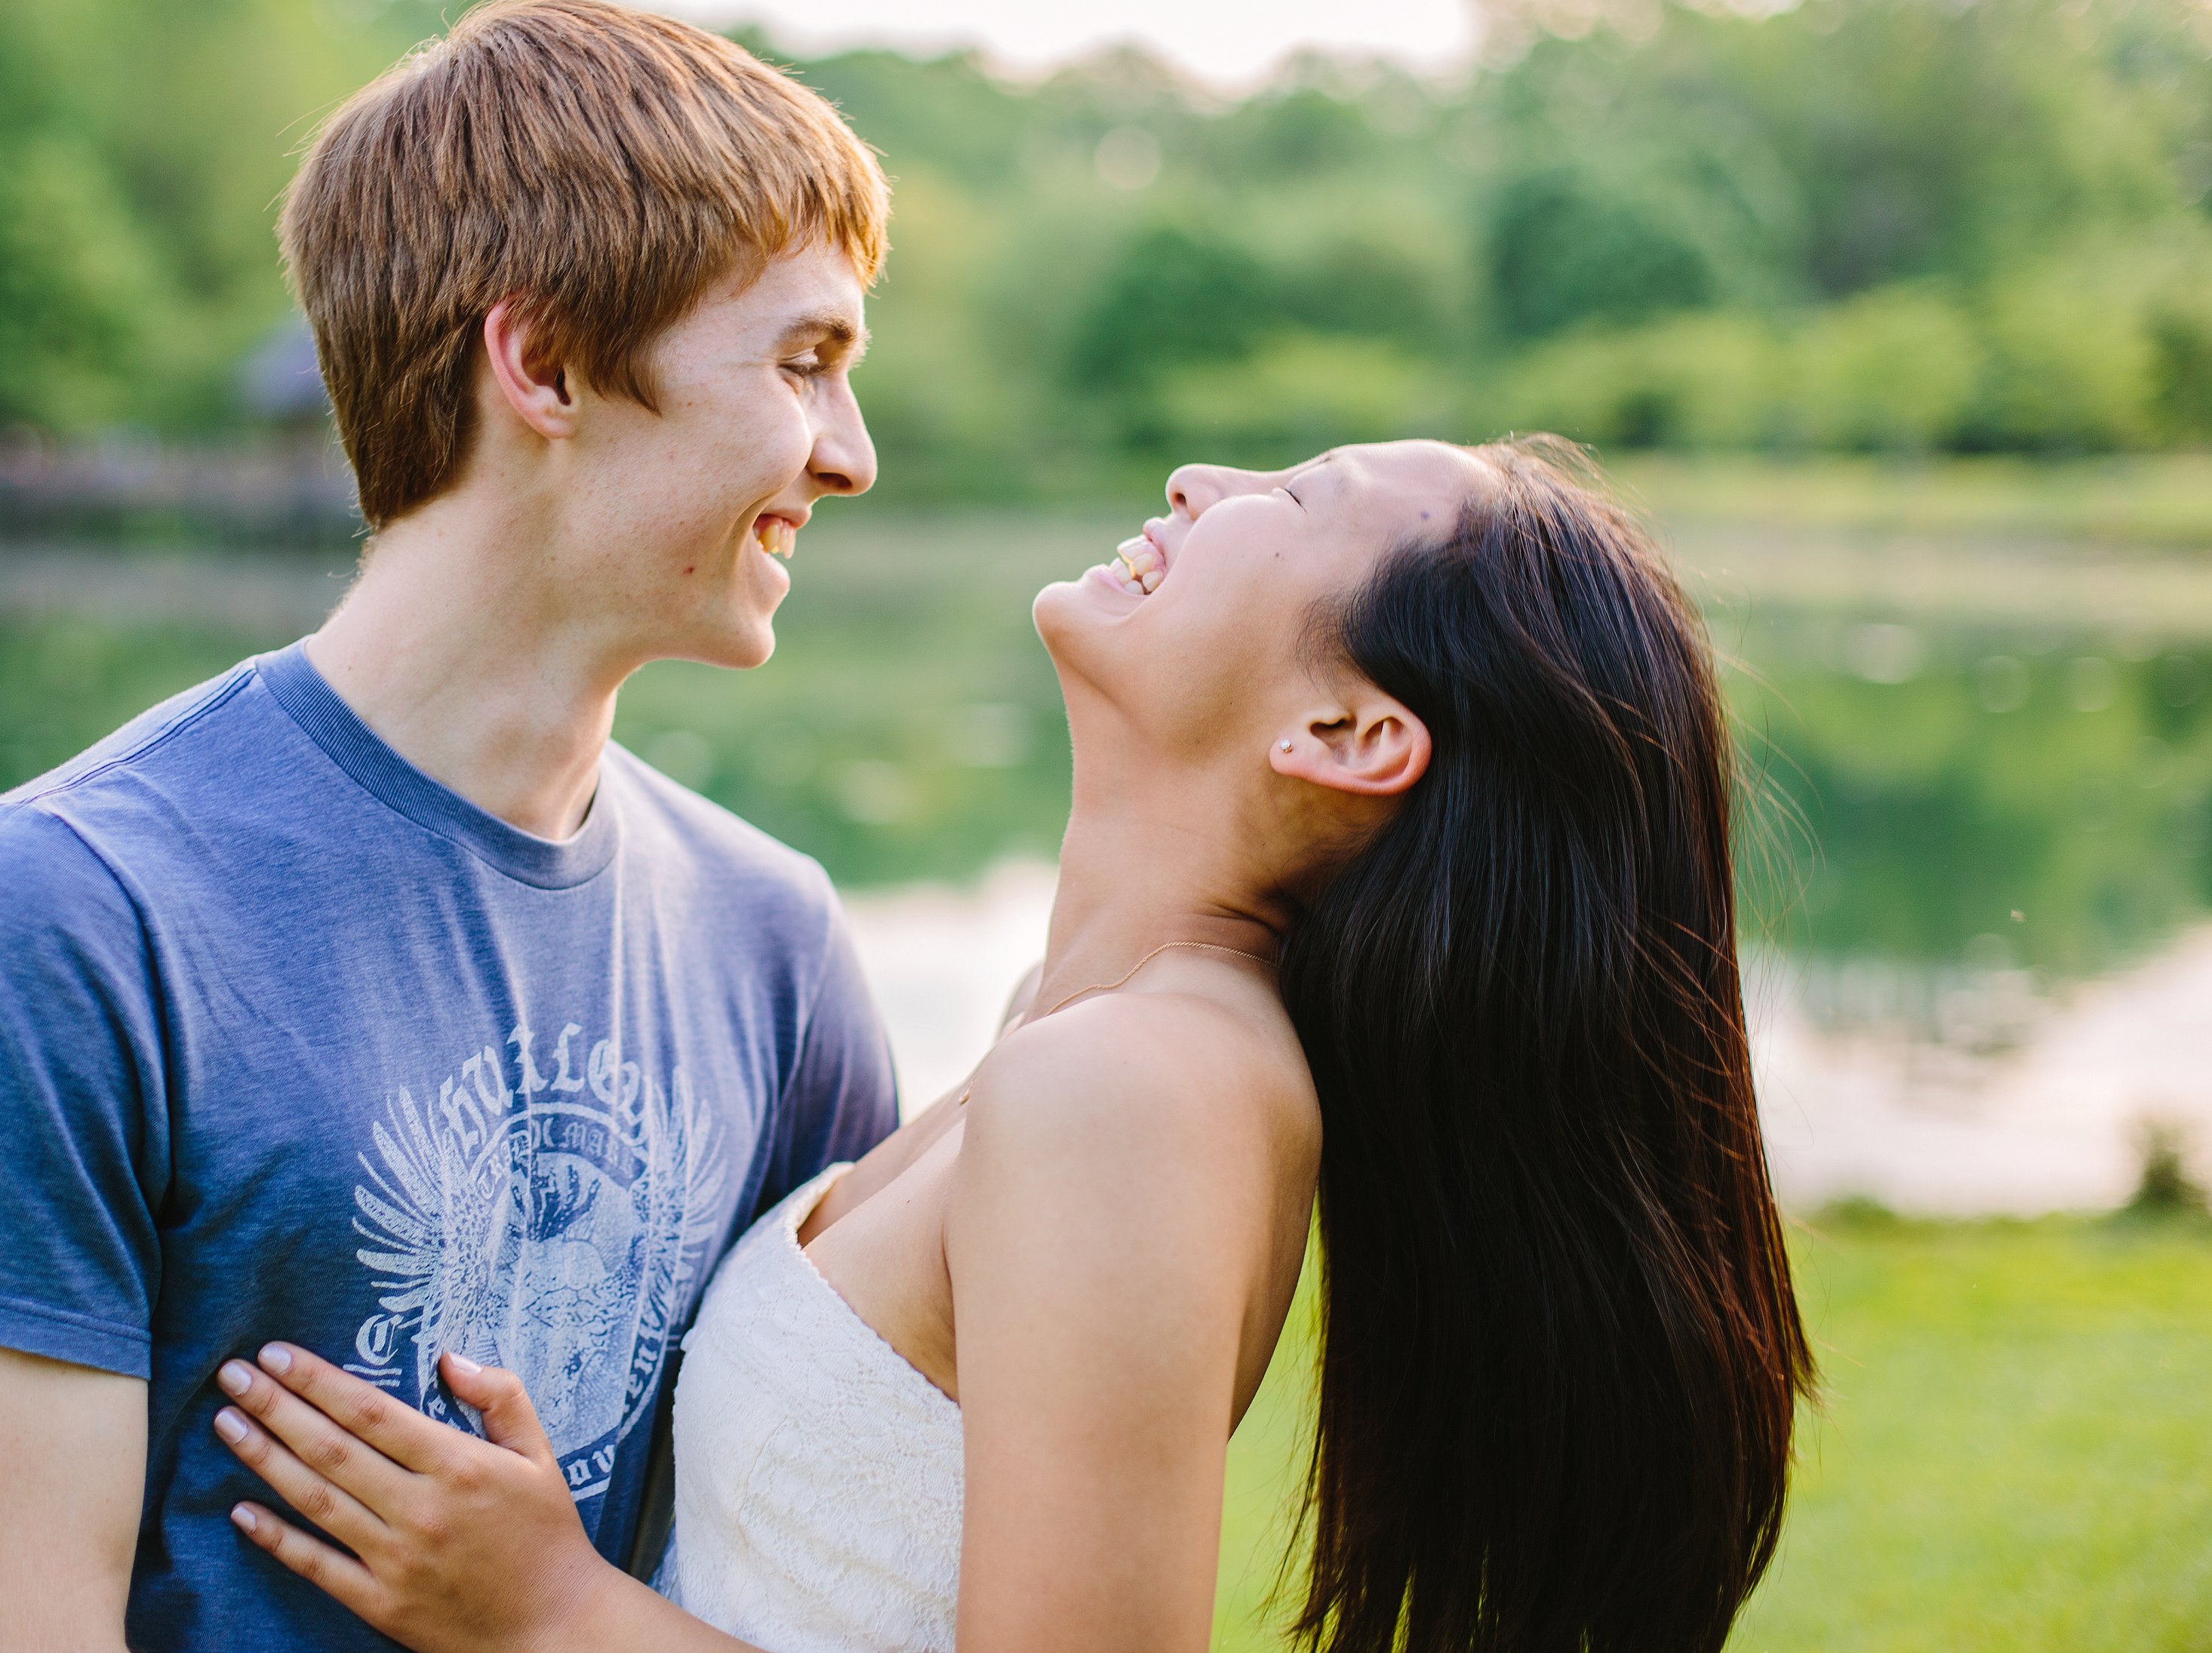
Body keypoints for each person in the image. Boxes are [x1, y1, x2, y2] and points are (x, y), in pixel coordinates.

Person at [201, 436, 1817, 1653]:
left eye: (1300, 494)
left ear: (1343, 733)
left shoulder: (1137, 1089)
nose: (1201, 476)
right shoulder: (1075, 1036)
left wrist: (550, 1609)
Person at [0, 0, 900, 1651]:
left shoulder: (779, 939)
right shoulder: (67, 908)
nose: (850, 456)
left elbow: (845, 1585)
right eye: (801, 361)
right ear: (539, 362)